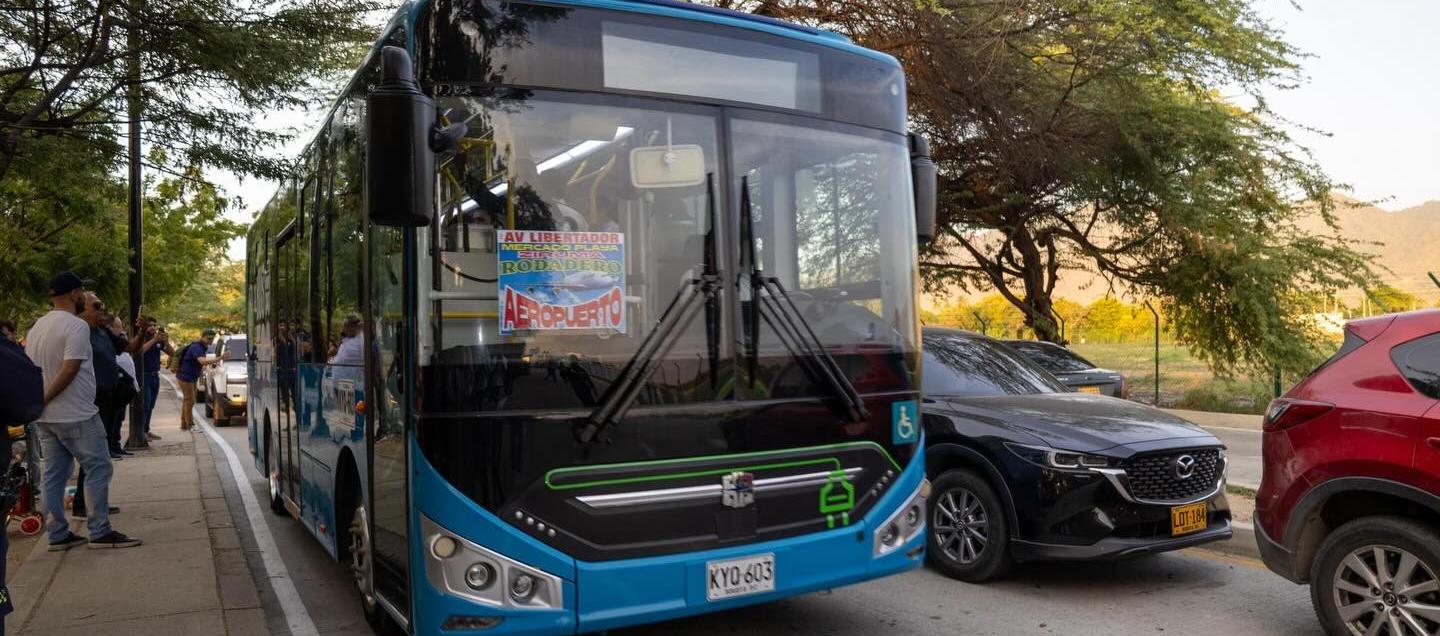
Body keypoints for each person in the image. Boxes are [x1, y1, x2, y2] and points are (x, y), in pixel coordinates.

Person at [24, 271, 141, 550]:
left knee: (54, 474)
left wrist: (39, 402)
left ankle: (58, 534)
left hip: (47, 417)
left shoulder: (38, 326)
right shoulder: (76, 327)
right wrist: (45, 397)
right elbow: (70, 368)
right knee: (99, 466)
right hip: (74, 412)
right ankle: (100, 531)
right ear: (75, 295)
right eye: (82, 294)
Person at [129, 316, 173, 441]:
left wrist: (166, 341)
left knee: (151, 405)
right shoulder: (141, 338)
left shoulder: (159, 340)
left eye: (154, 325)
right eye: (150, 325)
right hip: (144, 375)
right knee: (145, 404)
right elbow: (140, 351)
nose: (153, 327)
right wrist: (154, 340)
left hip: (155, 375)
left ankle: (146, 430)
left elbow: (172, 353)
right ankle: (141, 432)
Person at [175, 330, 216, 432]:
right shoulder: (197, 347)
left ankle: (184, 424)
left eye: (212, 338)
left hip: (190, 377)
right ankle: (190, 425)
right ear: (202, 337)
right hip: (186, 377)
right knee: (190, 401)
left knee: (188, 401)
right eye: (208, 338)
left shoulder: (201, 347)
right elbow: (203, 361)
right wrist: (220, 358)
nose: (210, 341)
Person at [110, 316, 138, 457]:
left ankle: (116, 445)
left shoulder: (119, 341)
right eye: (117, 327)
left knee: (119, 418)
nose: (120, 330)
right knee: (113, 419)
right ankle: (111, 448)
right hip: (115, 386)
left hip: (124, 386)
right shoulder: (109, 342)